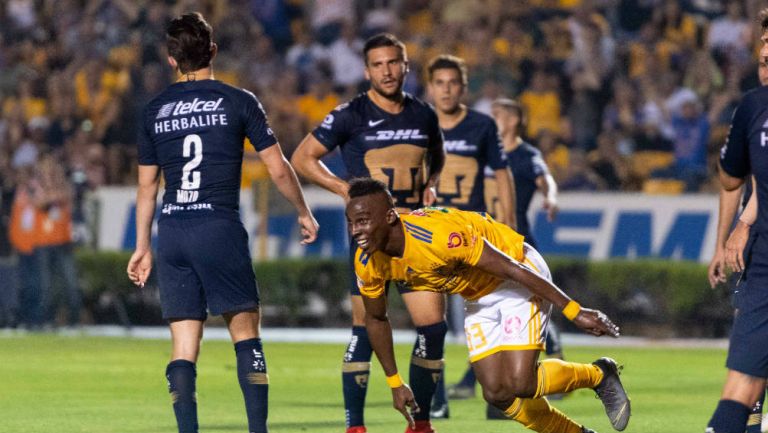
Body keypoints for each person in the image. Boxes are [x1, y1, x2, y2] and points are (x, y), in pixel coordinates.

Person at [126, 13, 318, 433]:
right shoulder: (238, 100)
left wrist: (142, 245)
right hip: (218, 226)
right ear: (212, 50)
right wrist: (303, 211)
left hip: (173, 230)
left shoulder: (154, 110)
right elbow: (278, 168)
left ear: (171, 59)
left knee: (183, 346)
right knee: (246, 334)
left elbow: (146, 187)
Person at [347, 177, 630, 433]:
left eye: (363, 221)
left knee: (522, 383)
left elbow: (511, 268)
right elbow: (376, 318)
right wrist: (395, 383)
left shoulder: (439, 236)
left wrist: (574, 311)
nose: (356, 231)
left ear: (389, 217)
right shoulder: (367, 263)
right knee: (496, 393)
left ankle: (600, 374)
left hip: (517, 276)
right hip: (477, 295)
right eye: (351, 222)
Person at [291, 33, 445, 433]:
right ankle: (355, 426)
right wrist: (346, 190)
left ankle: (421, 423)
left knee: (433, 329)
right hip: (370, 242)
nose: (387, 71)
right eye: (378, 65)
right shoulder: (350, 115)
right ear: (366, 70)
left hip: (416, 240)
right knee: (364, 327)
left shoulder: (424, 115)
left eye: (394, 62)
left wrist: (430, 185)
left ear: (406, 65)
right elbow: (302, 158)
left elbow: (437, 157)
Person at [448, 98, 565, 409]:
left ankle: (553, 358)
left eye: (498, 115)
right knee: (490, 312)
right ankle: (479, 378)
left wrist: (550, 198)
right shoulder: (482, 152)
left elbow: (546, 179)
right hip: (484, 245)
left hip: (516, 246)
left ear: (514, 120)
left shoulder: (527, 155)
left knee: (523, 307)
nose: (492, 119)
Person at [425, 54, 516, 419]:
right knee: (432, 318)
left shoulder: (480, 125)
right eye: (439, 83)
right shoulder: (420, 122)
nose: (446, 90)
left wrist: (508, 223)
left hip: (470, 232)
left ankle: (495, 394)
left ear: (463, 87)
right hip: (430, 231)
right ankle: (437, 397)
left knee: (483, 314)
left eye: (453, 83)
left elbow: (502, 173)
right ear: (431, 87)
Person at [707, 10, 768, 433]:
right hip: (762, 252)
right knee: (746, 376)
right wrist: (727, 236)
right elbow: (733, 182)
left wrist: (745, 222)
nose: (764, 62)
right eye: (763, 57)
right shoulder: (754, 108)